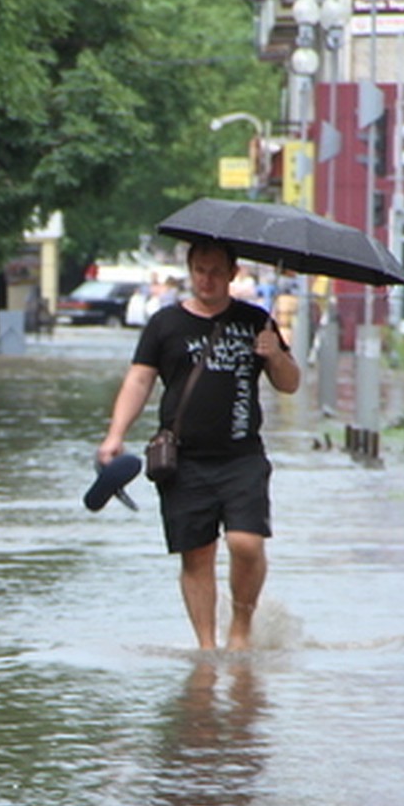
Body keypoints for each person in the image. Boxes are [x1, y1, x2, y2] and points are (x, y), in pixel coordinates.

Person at [96, 239, 300, 651]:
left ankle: (240, 628)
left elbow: (289, 383)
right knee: (197, 554)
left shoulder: (255, 320)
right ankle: (207, 648)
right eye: (199, 270)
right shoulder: (164, 324)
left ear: (232, 273)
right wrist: (115, 434)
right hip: (182, 458)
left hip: (242, 454)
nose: (207, 279)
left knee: (247, 542)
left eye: (215, 271)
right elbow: (139, 380)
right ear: (190, 271)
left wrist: (275, 354)